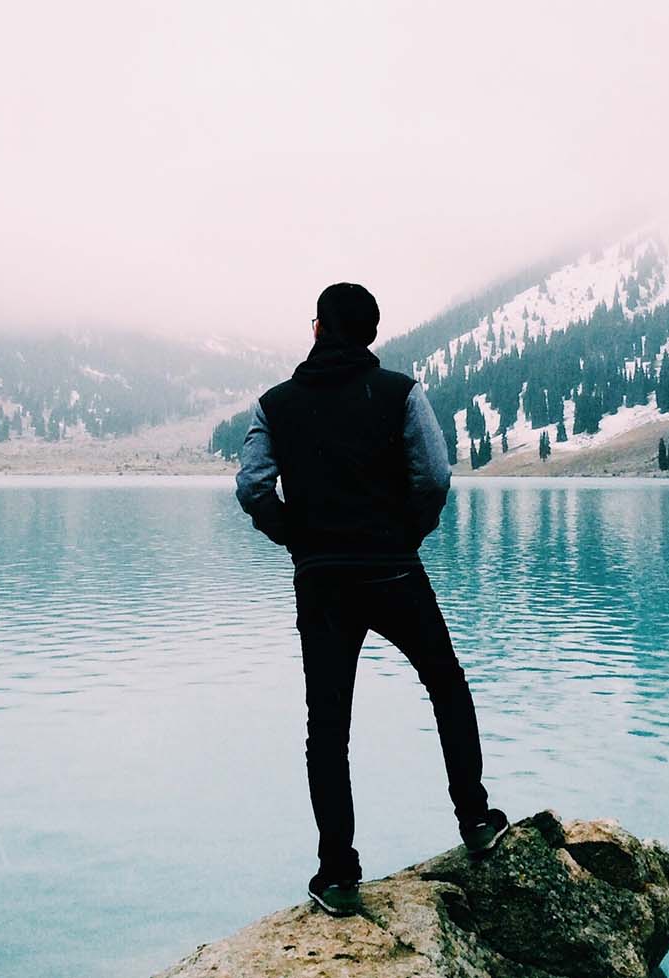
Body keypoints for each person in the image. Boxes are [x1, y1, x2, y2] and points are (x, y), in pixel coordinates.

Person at [234, 282, 507, 918]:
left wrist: (297, 538)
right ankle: (475, 819)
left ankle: (338, 873)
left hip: (322, 580)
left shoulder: (275, 404)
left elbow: (252, 488)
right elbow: (434, 476)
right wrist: (405, 534)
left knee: (328, 725)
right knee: (445, 682)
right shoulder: (401, 393)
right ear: (372, 333)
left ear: (318, 329)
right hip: (393, 571)